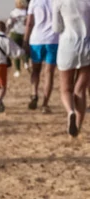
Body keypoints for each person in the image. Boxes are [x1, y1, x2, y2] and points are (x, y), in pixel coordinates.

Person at [52, 0, 90, 136]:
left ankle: (70, 111)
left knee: (66, 88)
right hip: (87, 45)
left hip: (67, 45)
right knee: (80, 90)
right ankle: (77, 128)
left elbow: (56, 28)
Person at [24, 0, 60, 114]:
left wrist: (25, 40)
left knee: (35, 70)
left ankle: (34, 94)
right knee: (49, 72)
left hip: (37, 39)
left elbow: (29, 22)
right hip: (53, 40)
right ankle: (45, 104)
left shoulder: (34, 1)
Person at [7, 0, 30, 77]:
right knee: (25, 49)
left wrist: (7, 31)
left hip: (15, 33)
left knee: (15, 52)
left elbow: (9, 23)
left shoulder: (13, 12)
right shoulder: (27, 12)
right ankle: (26, 62)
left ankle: (17, 70)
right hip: (25, 33)